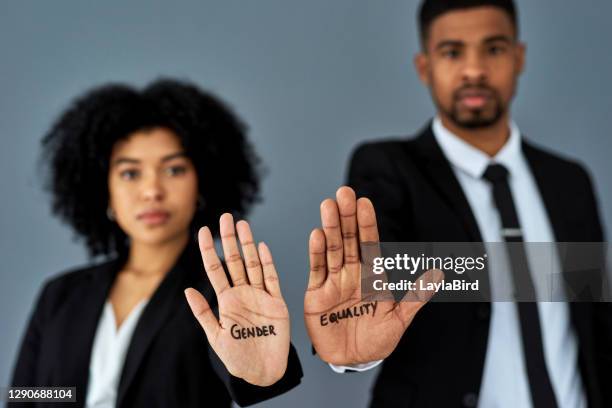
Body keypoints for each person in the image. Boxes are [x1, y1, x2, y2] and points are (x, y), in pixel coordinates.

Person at [303, 1, 612, 407]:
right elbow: (380, 292)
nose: (474, 71)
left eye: (494, 49)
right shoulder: (388, 169)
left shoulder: (569, 180)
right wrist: (355, 354)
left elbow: (593, 321)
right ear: (424, 66)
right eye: (452, 52)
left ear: (519, 58)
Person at [10, 79, 302, 407]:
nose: (152, 191)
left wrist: (262, 373)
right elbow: (23, 395)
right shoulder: (60, 295)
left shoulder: (224, 292)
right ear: (103, 190)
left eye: (174, 169)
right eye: (130, 173)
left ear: (202, 183)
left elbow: (255, 373)